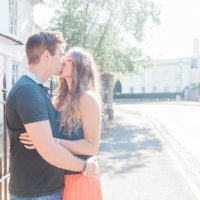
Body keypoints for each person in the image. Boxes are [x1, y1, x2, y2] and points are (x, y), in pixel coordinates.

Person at [6, 32, 98, 200]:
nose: (62, 59)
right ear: (47, 56)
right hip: (37, 192)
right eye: (61, 54)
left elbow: (52, 142)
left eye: (66, 58)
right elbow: (47, 148)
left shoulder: (40, 90)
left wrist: (52, 141)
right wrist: (84, 166)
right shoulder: (29, 90)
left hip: (51, 187)